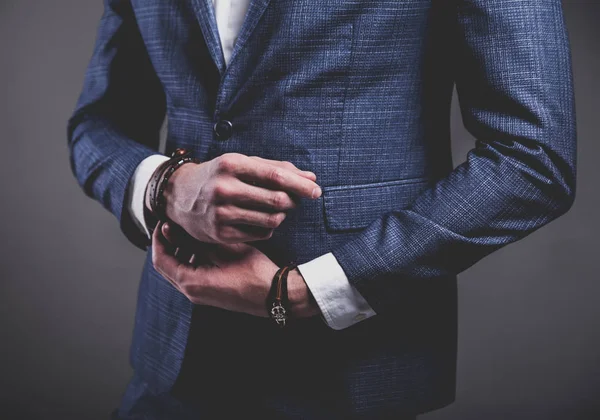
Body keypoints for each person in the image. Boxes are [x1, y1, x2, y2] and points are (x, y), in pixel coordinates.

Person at [67, 0, 577, 418]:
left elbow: (532, 157)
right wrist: (166, 185)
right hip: (172, 362)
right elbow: (98, 123)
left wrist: (307, 291)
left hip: (352, 372)